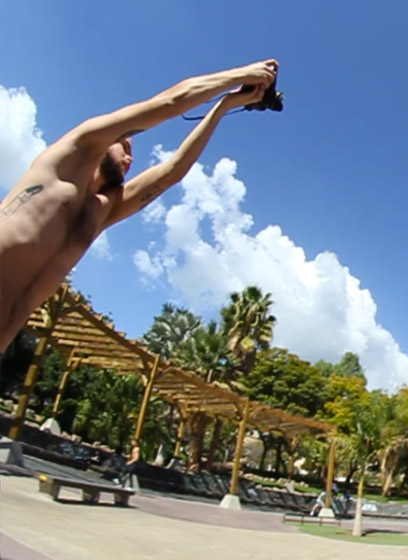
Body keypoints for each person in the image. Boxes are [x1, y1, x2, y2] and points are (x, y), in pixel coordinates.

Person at [0, 59, 280, 351]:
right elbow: (170, 102)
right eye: (127, 147)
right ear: (109, 140)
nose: (130, 160)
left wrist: (224, 106)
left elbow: (172, 172)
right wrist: (242, 76)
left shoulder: (101, 210)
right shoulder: (66, 159)